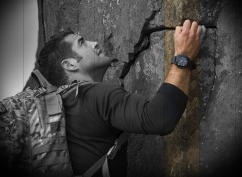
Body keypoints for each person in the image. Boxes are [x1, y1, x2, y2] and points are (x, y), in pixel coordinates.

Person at [36, 19, 202, 177]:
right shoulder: (93, 95)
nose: (94, 43)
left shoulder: (62, 113)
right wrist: (183, 56)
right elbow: (158, 118)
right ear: (70, 65)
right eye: (82, 43)